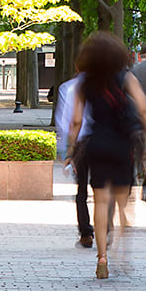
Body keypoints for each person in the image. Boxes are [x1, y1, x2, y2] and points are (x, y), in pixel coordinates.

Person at [66, 32, 146, 280]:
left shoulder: (85, 83)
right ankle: (120, 251)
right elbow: (145, 111)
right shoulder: (126, 77)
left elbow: (76, 120)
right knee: (123, 203)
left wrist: (70, 148)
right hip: (122, 145)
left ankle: (101, 258)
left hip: (97, 144)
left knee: (100, 201)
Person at [52, 72, 94, 249]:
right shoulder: (110, 83)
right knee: (103, 189)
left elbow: (67, 121)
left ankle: (85, 233)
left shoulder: (69, 87)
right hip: (104, 140)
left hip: (81, 143)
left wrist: (68, 151)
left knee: (82, 190)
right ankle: (105, 230)